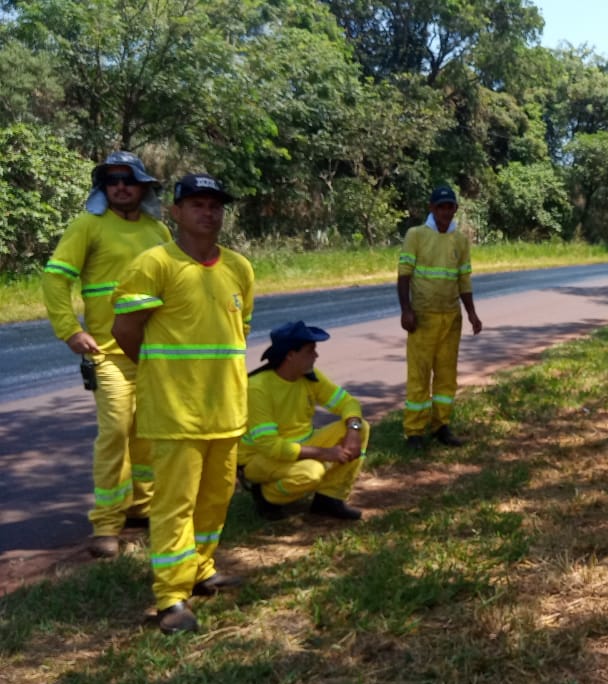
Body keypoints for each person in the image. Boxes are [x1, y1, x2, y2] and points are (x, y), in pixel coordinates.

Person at [112, 173, 254, 635]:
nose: (207, 213)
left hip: (226, 411)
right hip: (175, 414)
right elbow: (125, 332)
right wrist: (160, 375)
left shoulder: (239, 268)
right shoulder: (152, 265)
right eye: (196, 204)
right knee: (175, 507)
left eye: (215, 205)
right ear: (175, 212)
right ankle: (171, 597)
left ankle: (201, 568)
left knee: (215, 500)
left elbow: (239, 332)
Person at [42, 151, 172, 559]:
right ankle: (106, 524)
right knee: (115, 430)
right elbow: (55, 278)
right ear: (103, 187)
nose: (120, 186)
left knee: (147, 433)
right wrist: (70, 330)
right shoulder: (88, 225)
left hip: (153, 352)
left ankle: (142, 507)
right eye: (112, 180)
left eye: (128, 180)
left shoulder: (159, 230)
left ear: (143, 187)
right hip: (107, 352)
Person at [239, 321, 369, 521]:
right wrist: (325, 453)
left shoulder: (309, 376)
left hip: (300, 447)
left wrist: (353, 430)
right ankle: (267, 497)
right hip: (260, 459)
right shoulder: (258, 388)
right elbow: (270, 446)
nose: (316, 356)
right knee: (312, 473)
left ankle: (328, 499)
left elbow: (348, 403)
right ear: (290, 355)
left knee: (362, 427)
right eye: (310, 350)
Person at [398, 185, 482, 449]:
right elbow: (404, 275)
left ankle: (441, 426)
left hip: (451, 317)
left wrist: (471, 313)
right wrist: (406, 310)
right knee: (419, 375)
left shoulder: (460, 240)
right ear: (432, 209)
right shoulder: (416, 235)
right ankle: (414, 432)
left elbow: (463, 279)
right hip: (422, 317)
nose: (446, 211)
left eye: (450, 206)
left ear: (455, 209)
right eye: (441, 206)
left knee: (446, 375)